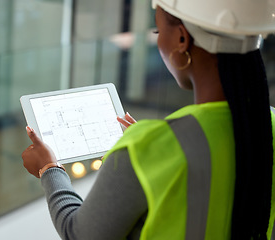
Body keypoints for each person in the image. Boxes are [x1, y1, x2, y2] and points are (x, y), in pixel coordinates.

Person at [22, 0, 275, 239]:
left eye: (157, 31)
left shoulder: (146, 150)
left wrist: (49, 169)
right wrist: (156, 142)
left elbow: (78, 233)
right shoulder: (269, 123)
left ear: (181, 39)